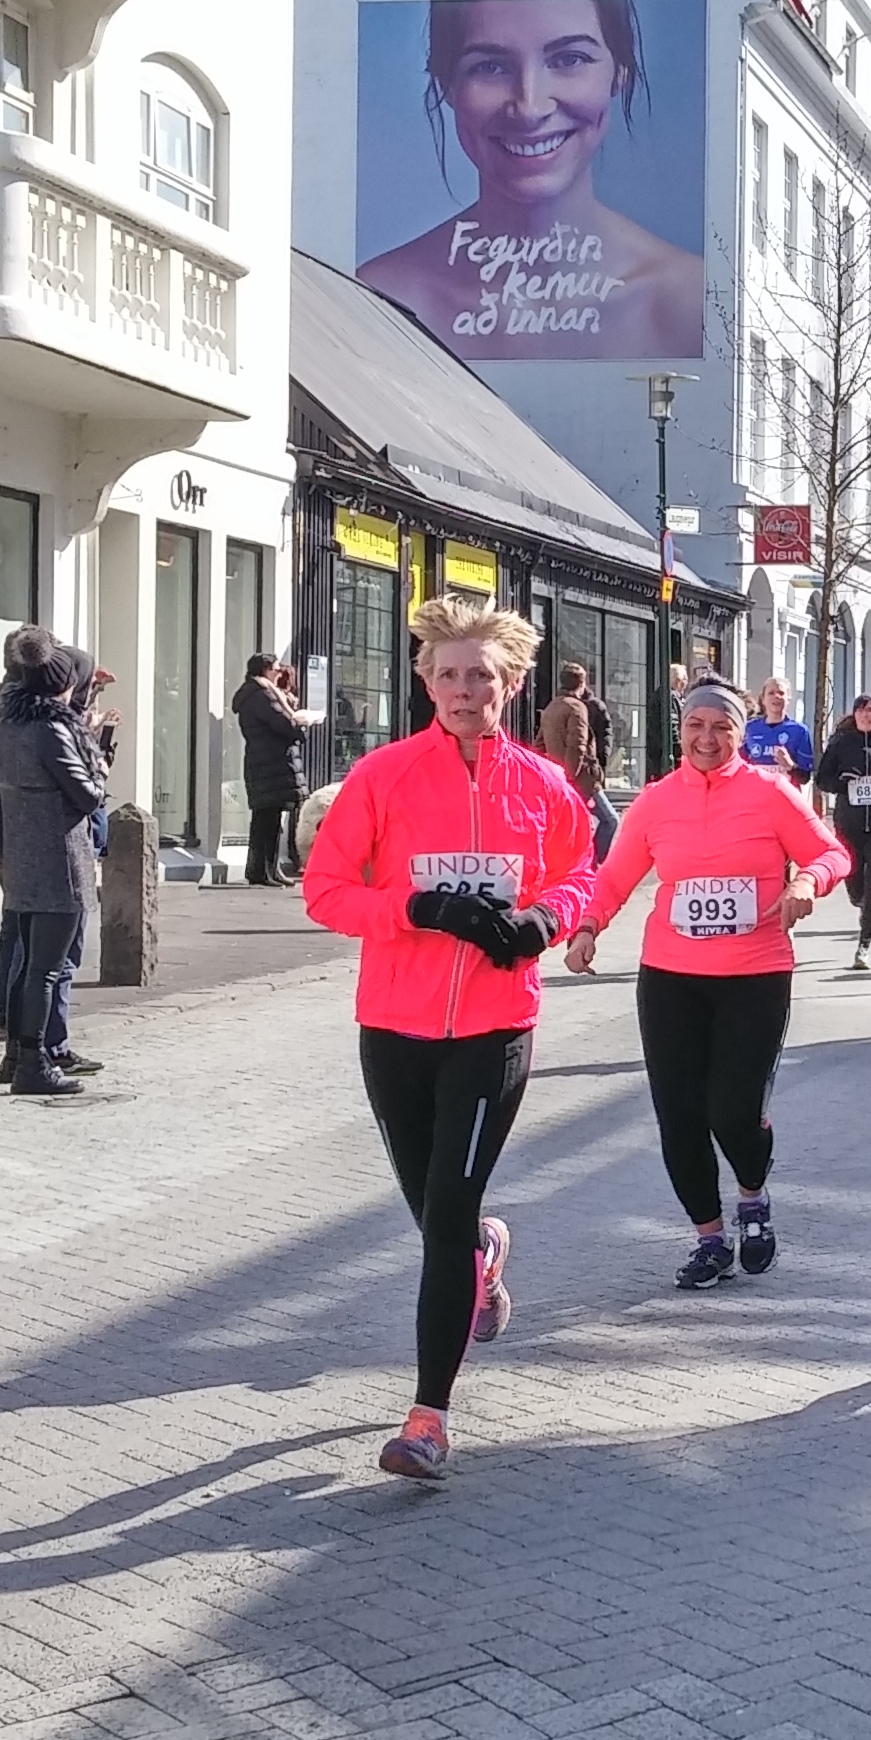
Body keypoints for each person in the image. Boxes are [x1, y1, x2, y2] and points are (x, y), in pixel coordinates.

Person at [302, 594, 599, 1484]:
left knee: (447, 1216)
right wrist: (416, 907)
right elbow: (324, 890)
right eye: (450, 676)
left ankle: (427, 1417)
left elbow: (581, 871)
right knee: (435, 1213)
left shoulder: (545, 785)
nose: (467, 691)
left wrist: (545, 920)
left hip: (494, 1028)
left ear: (512, 684)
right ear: (426, 681)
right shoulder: (383, 778)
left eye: (484, 676)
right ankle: (484, 1258)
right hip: (394, 1025)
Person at [566, 678, 847, 1289]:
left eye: (721, 727)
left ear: (740, 735)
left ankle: (752, 1196)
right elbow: (613, 878)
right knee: (680, 1115)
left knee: (733, 1111)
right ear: (681, 730)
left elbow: (832, 855)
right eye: (696, 726)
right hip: (670, 977)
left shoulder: (772, 793)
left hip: (755, 975)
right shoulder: (657, 799)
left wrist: (805, 885)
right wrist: (588, 926)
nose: (707, 738)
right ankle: (709, 1237)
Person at [352, 0, 707, 361]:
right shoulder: (378, 302)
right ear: (447, 85)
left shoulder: (694, 306)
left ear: (619, 73)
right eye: (490, 67)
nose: (529, 108)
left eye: (569, 59)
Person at [0, 637, 105, 1097]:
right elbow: (88, 793)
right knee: (46, 969)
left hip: (22, 854)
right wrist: (99, 760)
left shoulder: (8, 723)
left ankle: (16, 1054)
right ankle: (33, 1063)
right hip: (57, 858)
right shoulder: (51, 730)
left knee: (26, 966)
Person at [813, 692, 871, 970]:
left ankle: (864, 946)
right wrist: (843, 782)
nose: (866, 715)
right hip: (849, 825)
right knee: (854, 885)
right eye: (861, 710)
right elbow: (822, 779)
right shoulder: (840, 744)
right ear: (854, 715)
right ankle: (860, 902)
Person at [232, 654, 310, 887]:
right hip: (270, 763)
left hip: (265, 762)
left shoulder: (256, 694)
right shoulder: (262, 695)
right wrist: (301, 722)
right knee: (268, 820)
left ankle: (267, 869)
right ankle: (262, 871)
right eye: (276, 669)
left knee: (267, 819)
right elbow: (284, 725)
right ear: (265, 670)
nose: (279, 673)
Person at [540, 663, 619, 861]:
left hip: (557, 778)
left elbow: (539, 744)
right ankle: (592, 865)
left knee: (574, 825)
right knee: (610, 820)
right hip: (581, 780)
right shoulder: (577, 707)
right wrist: (570, 778)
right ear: (582, 683)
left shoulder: (552, 707)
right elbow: (578, 745)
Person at [740, 678, 816, 783]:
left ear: (788, 699)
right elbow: (738, 766)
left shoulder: (799, 731)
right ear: (763, 699)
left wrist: (790, 766)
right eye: (771, 693)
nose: (776, 696)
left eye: (781, 693)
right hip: (757, 795)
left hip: (785, 795)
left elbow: (805, 778)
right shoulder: (749, 728)